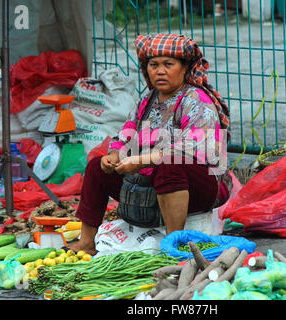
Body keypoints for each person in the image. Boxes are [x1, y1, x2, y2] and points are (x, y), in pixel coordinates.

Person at [69, 34, 232, 255]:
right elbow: (126, 134)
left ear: (185, 68)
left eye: (169, 64)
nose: (160, 71)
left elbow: (191, 149)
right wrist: (115, 155)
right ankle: (87, 243)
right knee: (97, 167)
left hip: (202, 185)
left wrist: (141, 161)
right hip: (150, 179)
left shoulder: (196, 100)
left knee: (169, 165)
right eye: (153, 65)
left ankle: (172, 246)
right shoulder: (147, 101)